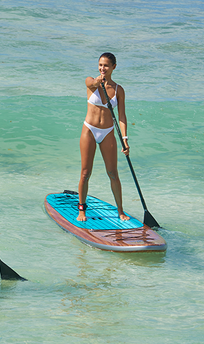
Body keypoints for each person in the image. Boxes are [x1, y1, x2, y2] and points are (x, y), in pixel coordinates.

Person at [77, 52, 130, 222]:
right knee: (85, 172)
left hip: (107, 132)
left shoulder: (118, 90)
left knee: (113, 173)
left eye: (106, 65)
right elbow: (91, 83)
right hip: (89, 130)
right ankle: (82, 210)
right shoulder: (90, 82)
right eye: (100, 65)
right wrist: (97, 81)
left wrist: (125, 139)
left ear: (114, 67)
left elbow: (121, 116)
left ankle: (120, 211)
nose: (102, 68)